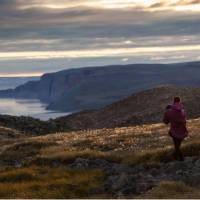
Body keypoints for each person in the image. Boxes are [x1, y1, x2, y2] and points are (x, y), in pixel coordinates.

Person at [163, 97, 188, 161]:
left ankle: (181, 158)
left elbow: (165, 122)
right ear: (180, 102)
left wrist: (167, 111)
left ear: (173, 102)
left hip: (174, 132)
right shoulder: (183, 111)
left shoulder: (169, 112)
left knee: (177, 147)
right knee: (177, 146)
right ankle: (176, 158)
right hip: (183, 132)